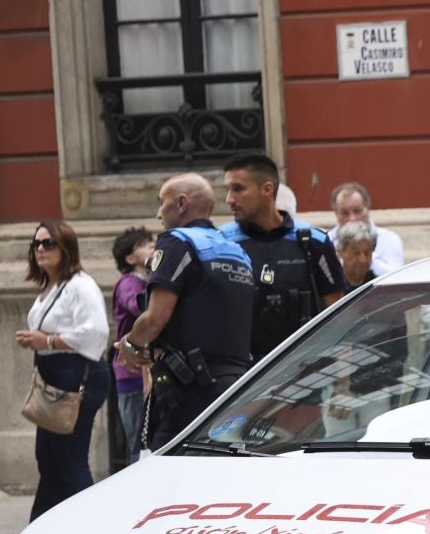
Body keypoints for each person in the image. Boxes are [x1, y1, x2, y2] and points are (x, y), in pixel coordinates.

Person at [116, 174, 255, 451]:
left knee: (163, 470)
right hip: (237, 388)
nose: (159, 213)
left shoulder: (177, 242)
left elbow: (155, 318)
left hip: (188, 391)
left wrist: (130, 344)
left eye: (162, 203)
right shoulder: (238, 252)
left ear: (181, 203)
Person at [17, 220, 112, 518]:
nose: (40, 249)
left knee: (70, 461)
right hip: (54, 377)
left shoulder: (80, 285)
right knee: (48, 460)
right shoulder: (52, 287)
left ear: (66, 248)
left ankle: (93, 525)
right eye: (36, 244)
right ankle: (43, 527)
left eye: (48, 243)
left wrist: (47, 340)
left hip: (77, 376)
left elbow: (96, 332)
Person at [223, 154, 347, 359]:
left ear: (267, 189)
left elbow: (337, 311)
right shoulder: (221, 243)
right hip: (242, 370)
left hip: (305, 366)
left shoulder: (313, 241)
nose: (229, 199)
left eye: (238, 189)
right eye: (227, 190)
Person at [108, 227, 155, 464]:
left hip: (144, 371)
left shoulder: (147, 281)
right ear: (129, 258)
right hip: (132, 374)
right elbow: (138, 306)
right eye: (144, 245)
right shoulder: (129, 283)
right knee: (139, 441)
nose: (152, 246)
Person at [329, 181, 406, 276]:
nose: (352, 219)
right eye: (345, 213)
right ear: (336, 214)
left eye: (357, 211)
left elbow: (396, 277)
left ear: (367, 209)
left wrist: (367, 254)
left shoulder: (389, 240)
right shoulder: (327, 241)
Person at [333, 222, 378, 287]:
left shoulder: (379, 285)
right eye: (356, 253)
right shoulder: (330, 285)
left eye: (366, 253)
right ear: (341, 252)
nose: (363, 260)